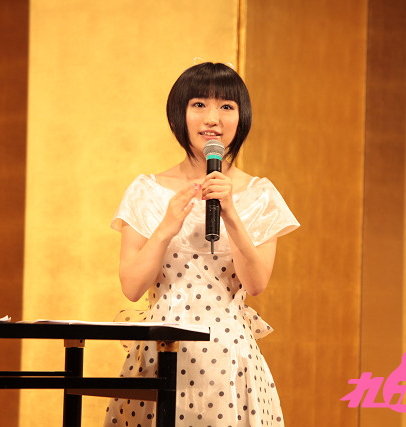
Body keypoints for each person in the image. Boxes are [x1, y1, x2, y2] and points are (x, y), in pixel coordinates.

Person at [104, 62, 299, 426]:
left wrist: (231, 214)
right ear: (179, 114)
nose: (212, 118)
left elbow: (256, 284)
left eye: (226, 106)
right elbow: (131, 287)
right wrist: (166, 228)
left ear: (242, 118)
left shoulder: (260, 195)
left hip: (229, 361)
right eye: (199, 104)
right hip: (159, 354)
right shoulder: (146, 190)